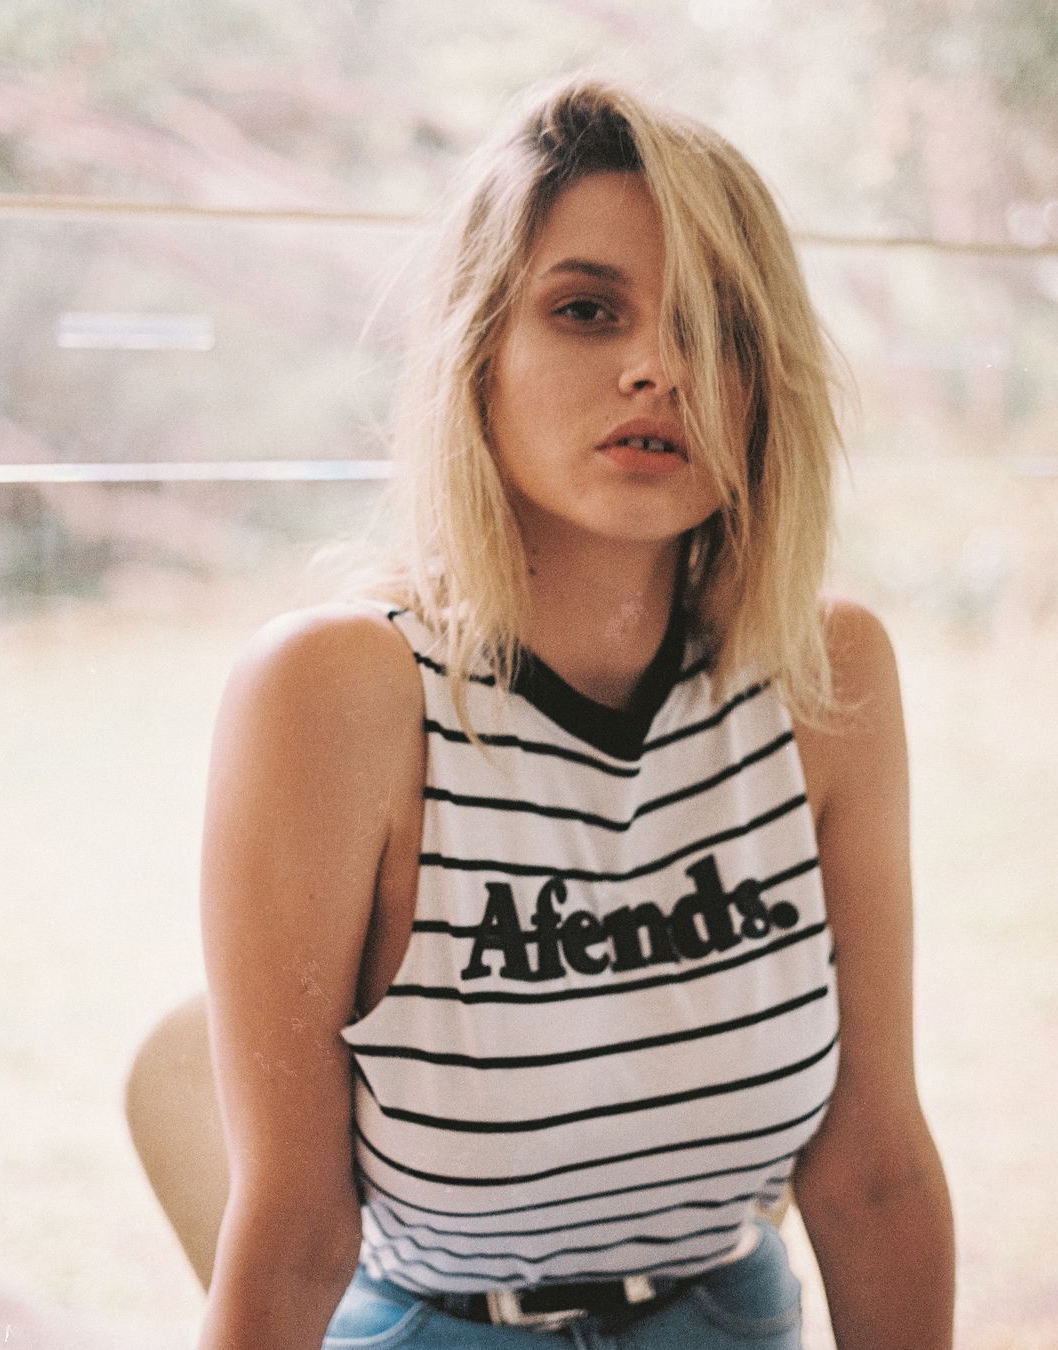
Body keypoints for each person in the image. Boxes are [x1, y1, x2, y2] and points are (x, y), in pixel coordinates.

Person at [195, 76, 955, 1350]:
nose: (660, 367)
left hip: (734, 1317)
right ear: (477, 352)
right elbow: (292, 1234)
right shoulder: (336, 695)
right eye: (587, 310)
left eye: (717, 325)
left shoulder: (828, 676)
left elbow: (873, 1173)